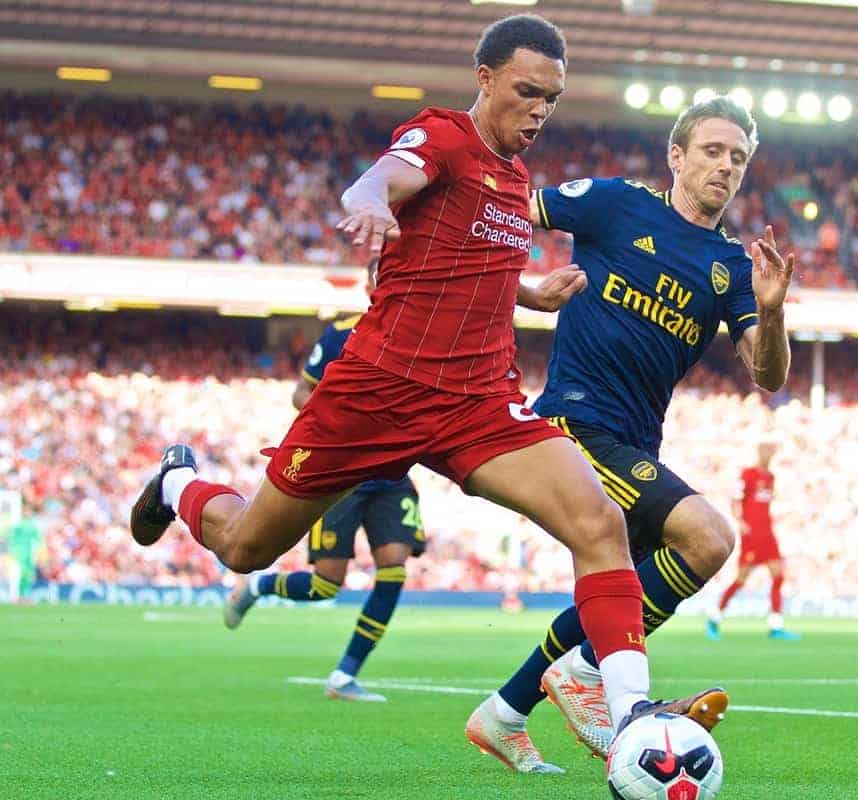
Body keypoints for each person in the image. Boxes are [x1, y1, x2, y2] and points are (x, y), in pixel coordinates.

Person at [128, 12, 723, 754]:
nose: (540, 109)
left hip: (478, 402)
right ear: (485, 79)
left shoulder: (514, 181)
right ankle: (176, 485)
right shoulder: (444, 136)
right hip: (378, 391)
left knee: (598, 523)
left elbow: (465, 265)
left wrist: (528, 294)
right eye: (527, 90)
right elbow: (384, 176)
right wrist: (372, 199)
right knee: (246, 546)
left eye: (553, 98)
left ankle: (631, 716)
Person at [466, 95, 795, 773]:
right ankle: (593, 674)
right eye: (711, 150)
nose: (725, 166)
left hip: (636, 443)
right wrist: (523, 290)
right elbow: (505, 209)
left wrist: (772, 310)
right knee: (708, 538)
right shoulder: (616, 204)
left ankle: (504, 713)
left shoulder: (732, 267)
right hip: (575, 422)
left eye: (738, 157)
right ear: (676, 155)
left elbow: (767, 374)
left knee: (611, 588)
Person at [222, 281, 430, 702]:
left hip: (391, 473)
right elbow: (301, 392)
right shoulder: (341, 334)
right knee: (325, 585)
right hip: (344, 472)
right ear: (376, 283)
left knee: (393, 568)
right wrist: (347, 416)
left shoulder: (424, 333)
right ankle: (258, 588)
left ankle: (344, 675)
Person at [706, 439, 800, 641]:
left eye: (771, 452)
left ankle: (776, 626)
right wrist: (739, 520)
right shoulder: (749, 474)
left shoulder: (771, 477)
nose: (769, 456)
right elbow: (735, 497)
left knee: (778, 575)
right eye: (766, 451)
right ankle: (714, 618)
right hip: (753, 534)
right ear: (759, 452)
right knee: (741, 580)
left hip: (768, 533)